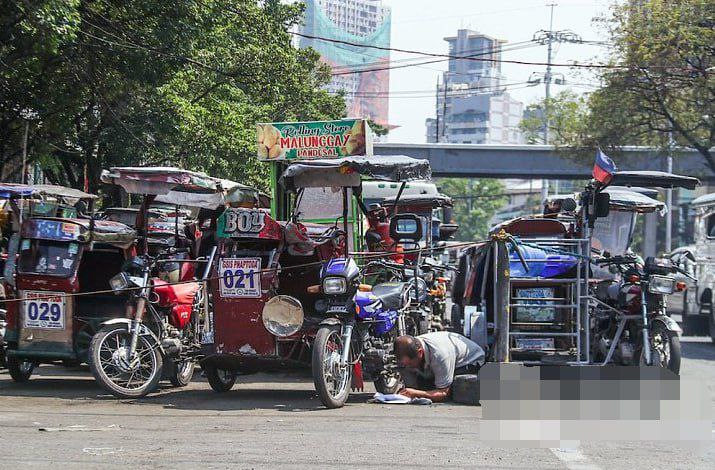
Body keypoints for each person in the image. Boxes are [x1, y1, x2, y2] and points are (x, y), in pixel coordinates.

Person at [395, 332, 484, 402]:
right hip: (439, 361)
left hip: (471, 361)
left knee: (452, 390)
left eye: (410, 364)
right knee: (424, 387)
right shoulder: (412, 348)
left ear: (420, 352)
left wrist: (416, 393)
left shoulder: (440, 355)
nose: (408, 367)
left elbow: (444, 393)